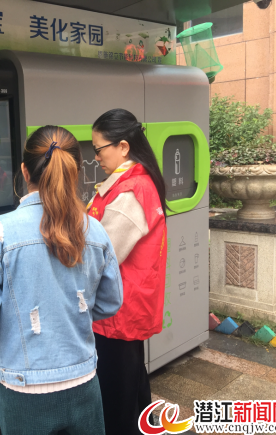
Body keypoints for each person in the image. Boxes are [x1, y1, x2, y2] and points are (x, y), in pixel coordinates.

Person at [0, 125, 123, 435]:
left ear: (24, 171)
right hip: (83, 381)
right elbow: (110, 302)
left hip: (23, 389)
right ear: (74, 172)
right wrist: (71, 315)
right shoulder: (95, 230)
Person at [87, 109, 167, 435]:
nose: (95, 157)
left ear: (122, 146)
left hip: (117, 310)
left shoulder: (131, 191)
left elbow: (101, 255)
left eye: (98, 149)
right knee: (132, 384)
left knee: (116, 399)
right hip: (126, 304)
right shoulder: (131, 183)